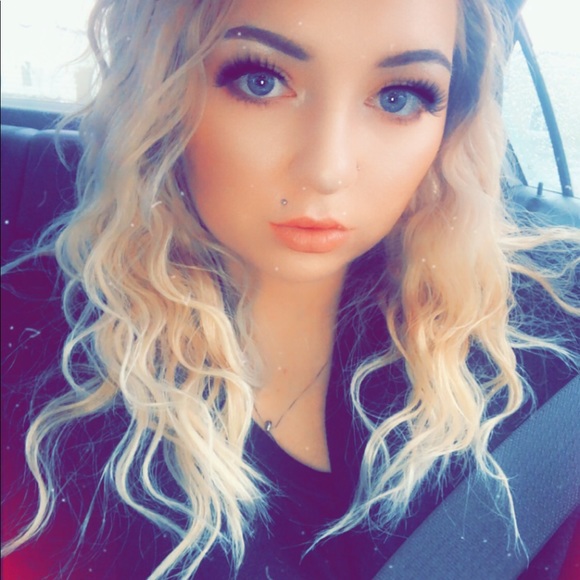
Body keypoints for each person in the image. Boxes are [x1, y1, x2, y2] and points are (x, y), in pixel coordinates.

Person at [1, 0, 578, 578]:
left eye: (399, 97)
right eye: (261, 81)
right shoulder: (32, 363)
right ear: (164, 90)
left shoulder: (542, 367)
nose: (328, 169)